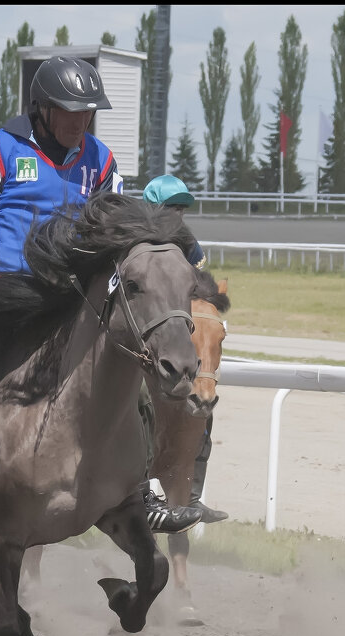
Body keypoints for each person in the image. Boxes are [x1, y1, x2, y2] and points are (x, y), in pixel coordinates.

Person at [0, 56, 201, 535]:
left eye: (87, 112)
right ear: (41, 108)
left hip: (65, 302)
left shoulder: (101, 161)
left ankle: (140, 490)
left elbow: (122, 232)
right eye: (69, 111)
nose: (79, 122)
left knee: (133, 380)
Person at [142, 174, 228, 524]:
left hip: (176, 334)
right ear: (152, 209)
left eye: (180, 208)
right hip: (142, 335)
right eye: (170, 207)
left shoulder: (190, 247)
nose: (177, 215)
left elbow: (200, 289)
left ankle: (191, 494)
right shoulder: (136, 239)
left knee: (203, 404)